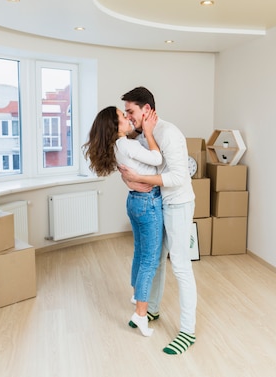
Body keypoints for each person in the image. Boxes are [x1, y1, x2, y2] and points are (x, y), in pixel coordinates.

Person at [118, 86, 197, 355]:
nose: (128, 119)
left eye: (131, 112)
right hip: (157, 201)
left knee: (181, 266)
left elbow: (177, 177)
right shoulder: (141, 136)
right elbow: (141, 164)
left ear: (146, 110)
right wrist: (127, 175)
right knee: (157, 259)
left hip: (178, 202)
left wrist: (139, 179)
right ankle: (151, 309)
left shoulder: (170, 134)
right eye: (126, 114)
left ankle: (187, 330)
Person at [82, 105, 163, 337]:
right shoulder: (127, 144)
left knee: (140, 252)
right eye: (122, 116)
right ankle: (140, 314)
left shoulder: (117, 146)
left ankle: (137, 293)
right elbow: (157, 159)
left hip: (134, 202)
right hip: (147, 202)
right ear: (114, 127)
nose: (128, 118)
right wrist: (148, 131)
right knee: (150, 260)